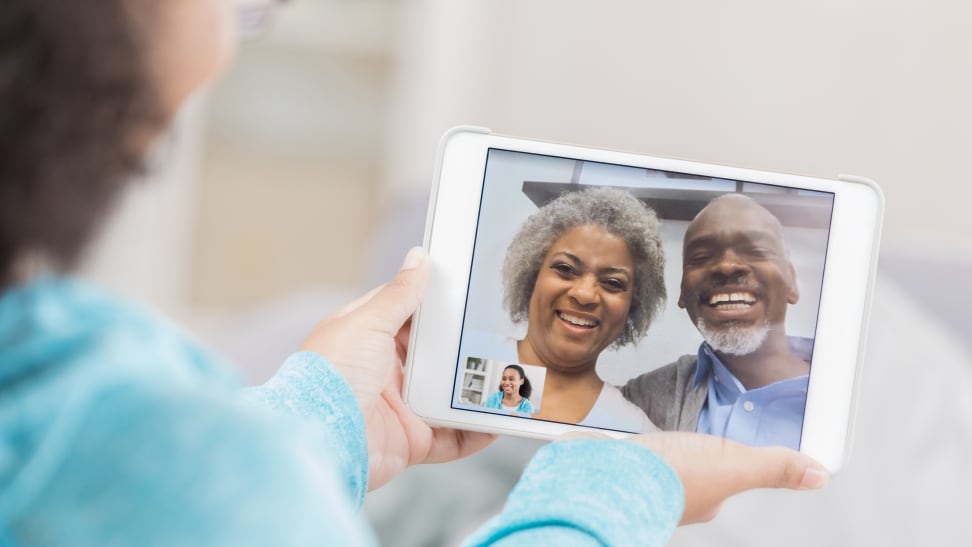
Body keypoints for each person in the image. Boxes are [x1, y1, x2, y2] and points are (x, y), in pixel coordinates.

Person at [0, 1, 829, 545]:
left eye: (614, 283)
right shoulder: (126, 444)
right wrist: (610, 494)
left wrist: (314, 418)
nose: (231, 32)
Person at [622, 193, 812, 450]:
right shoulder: (643, 398)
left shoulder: (862, 395)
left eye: (756, 251)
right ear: (681, 291)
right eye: (700, 257)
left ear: (791, 282)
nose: (726, 266)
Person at [483, 187, 666, 432]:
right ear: (532, 276)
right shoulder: (459, 360)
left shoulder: (634, 432)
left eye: (613, 283)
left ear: (632, 308)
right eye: (566, 269)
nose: (585, 294)